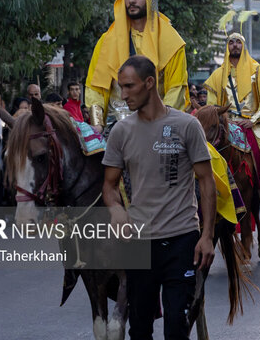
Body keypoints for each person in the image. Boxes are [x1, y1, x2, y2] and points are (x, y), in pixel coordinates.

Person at [102, 55, 215, 340]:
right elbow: (109, 184)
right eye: (121, 87)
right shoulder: (121, 131)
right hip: (139, 243)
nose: (123, 94)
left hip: (182, 239)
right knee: (139, 327)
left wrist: (208, 235)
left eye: (129, 86)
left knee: (177, 323)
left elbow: (206, 180)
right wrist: (115, 209)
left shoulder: (187, 126)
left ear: (149, 83)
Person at [85, 0, 189, 131]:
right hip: (116, 127)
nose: (132, 0)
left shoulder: (172, 42)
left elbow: (176, 89)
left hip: (156, 127)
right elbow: (95, 88)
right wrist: (97, 124)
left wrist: (161, 124)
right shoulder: (106, 41)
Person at [204, 33, 260, 192]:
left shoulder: (257, 70)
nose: (234, 45)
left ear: (243, 46)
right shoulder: (217, 75)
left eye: (238, 42)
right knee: (207, 153)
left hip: (254, 124)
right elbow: (211, 105)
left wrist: (253, 119)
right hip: (227, 125)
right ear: (227, 46)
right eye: (231, 42)